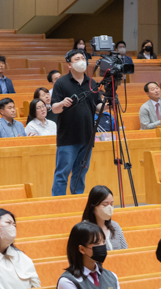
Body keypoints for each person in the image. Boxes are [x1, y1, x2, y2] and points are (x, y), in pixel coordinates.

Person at [51, 49, 102, 196]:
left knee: (80, 173)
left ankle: (77, 202)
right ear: (69, 65)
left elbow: (97, 106)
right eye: (77, 59)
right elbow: (54, 109)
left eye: (83, 58)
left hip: (87, 136)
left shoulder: (91, 82)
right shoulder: (61, 82)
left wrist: (107, 105)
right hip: (67, 137)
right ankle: (58, 205)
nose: (81, 61)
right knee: (62, 174)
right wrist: (62, 103)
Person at [57, 221, 124, 289]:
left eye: (103, 242)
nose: (102, 247)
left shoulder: (112, 277)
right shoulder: (67, 282)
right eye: (97, 243)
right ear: (82, 249)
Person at [82, 185, 127, 250]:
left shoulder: (115, 226)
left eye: (111, 204)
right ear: (93, 206)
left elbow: (125, 250)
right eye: (105, 205)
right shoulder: (85, 231)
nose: (109, 208)